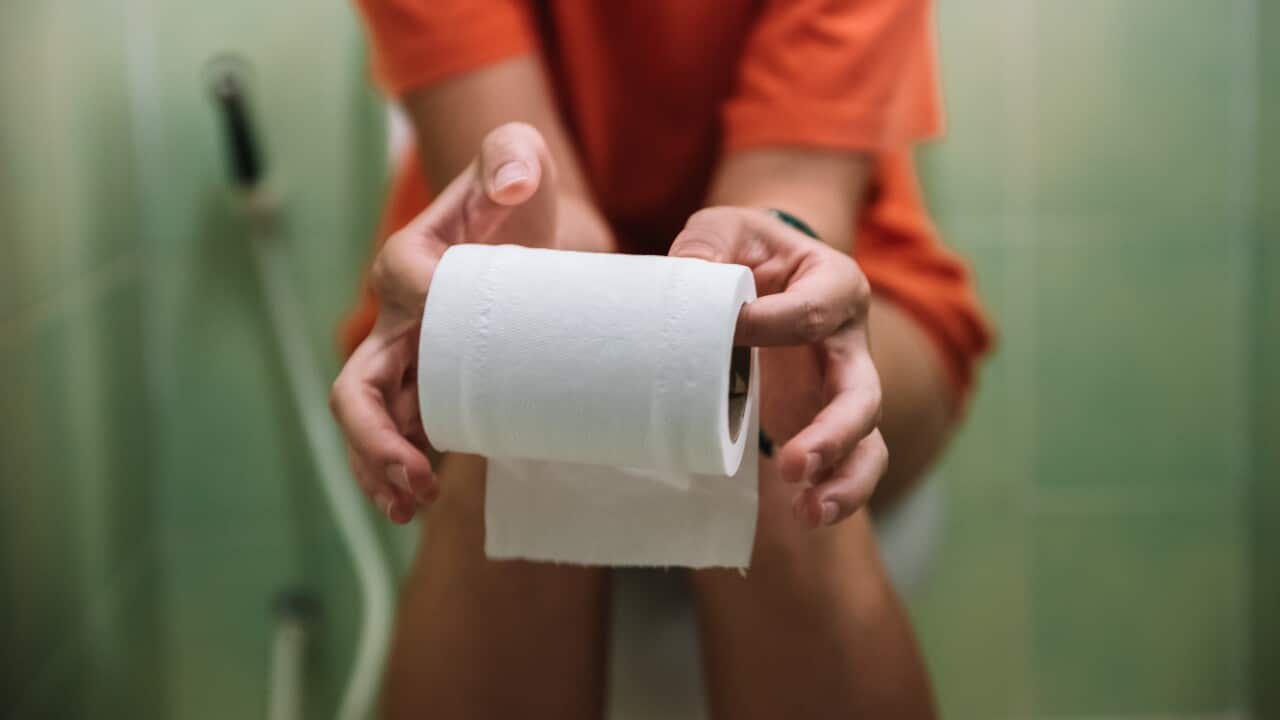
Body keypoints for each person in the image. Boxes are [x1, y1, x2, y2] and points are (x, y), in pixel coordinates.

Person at [329, 1, 992, 717]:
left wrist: (747, 287)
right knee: (533, 389)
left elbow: (789, 196)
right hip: (520, 247)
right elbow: (539, 211)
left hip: (833, 271)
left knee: (769, 400)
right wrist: (556, 293)